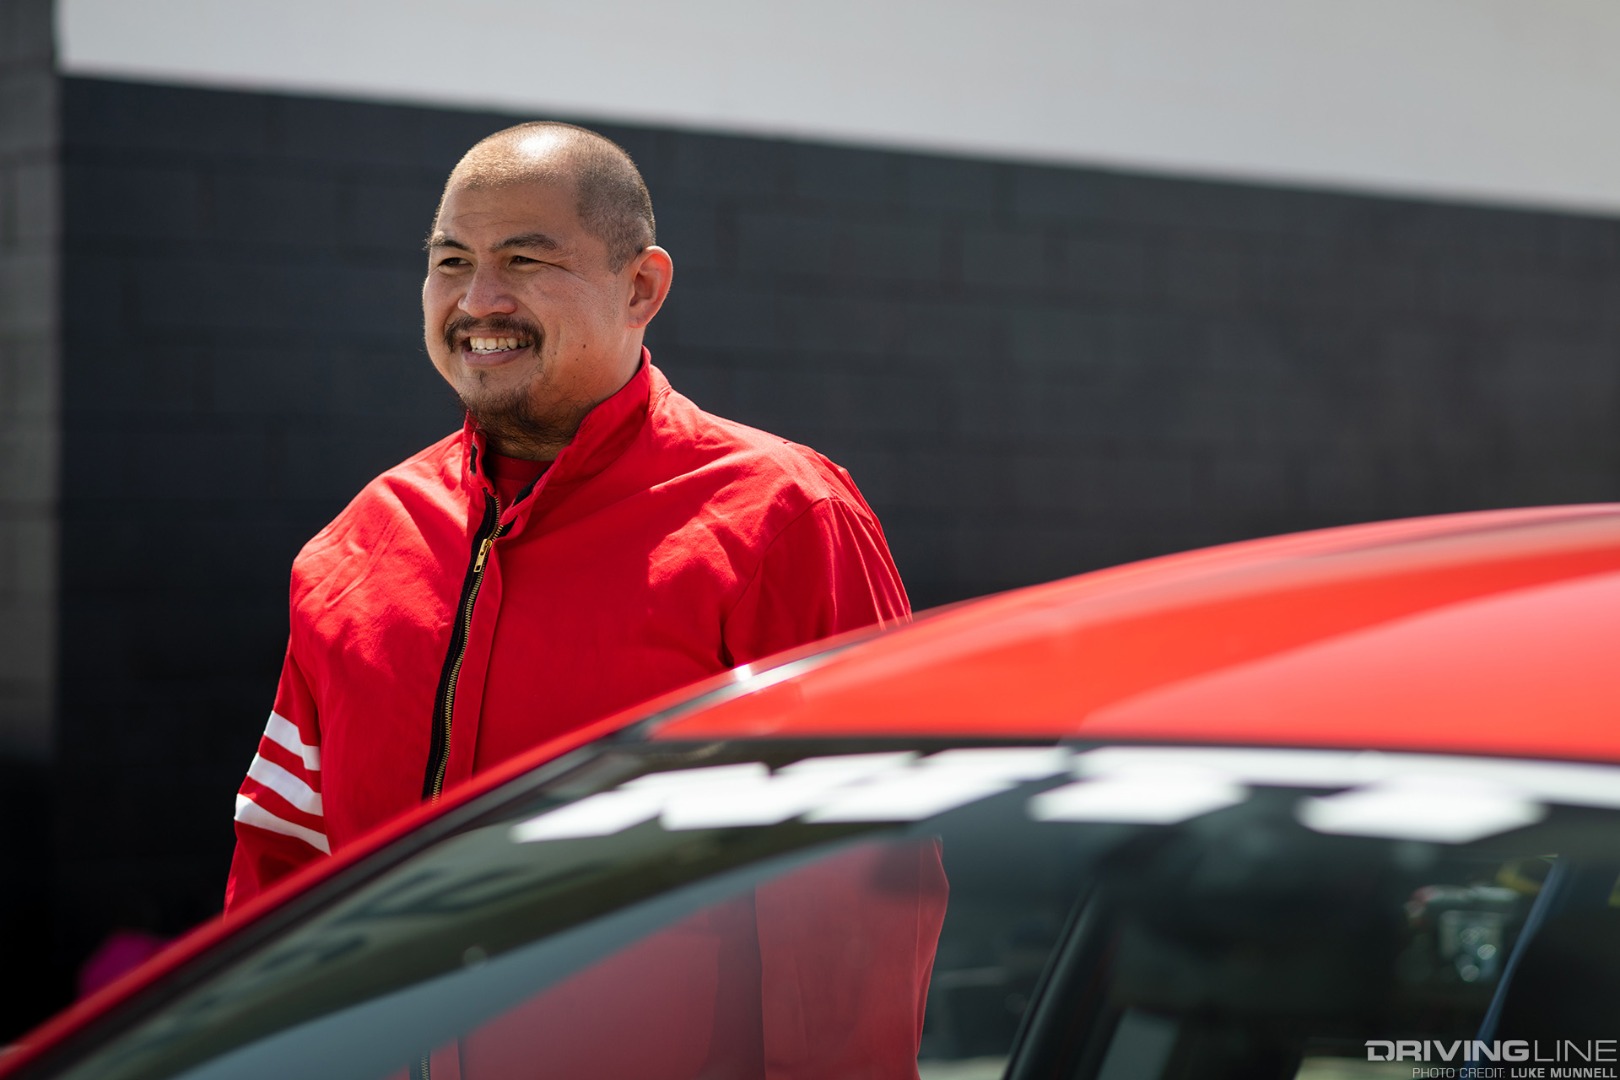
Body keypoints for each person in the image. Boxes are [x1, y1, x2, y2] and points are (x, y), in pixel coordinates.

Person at [226, 122, 911, 910]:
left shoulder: (786, 519)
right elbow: (283, 869)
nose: (478, 300)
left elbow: (868, 883)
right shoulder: (355, 547)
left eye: (525, 260)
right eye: (452, 262)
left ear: (640, 288)